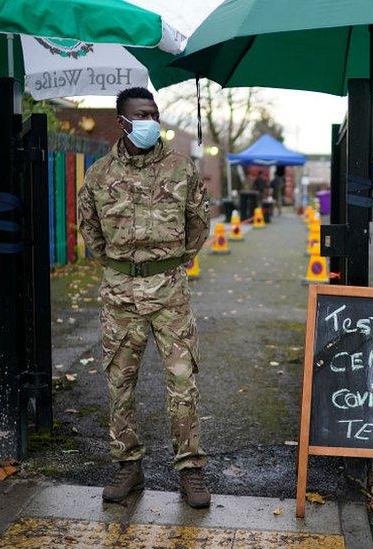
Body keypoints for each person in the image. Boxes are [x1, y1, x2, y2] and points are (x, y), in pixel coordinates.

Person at [76, 87, 211, 508]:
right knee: (120, 384)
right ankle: (128, 468)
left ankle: (190, 470)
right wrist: (125, 268)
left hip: (170, 292)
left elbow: (198, 225)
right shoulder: (98, 175)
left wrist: (167, 263)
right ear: (123, 121)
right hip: (120, 296)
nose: (151, 120)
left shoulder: (182, 169)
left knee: (182, 382)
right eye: (142, 113)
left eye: (155, 113)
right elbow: (91, 231)